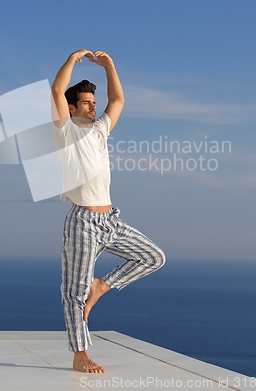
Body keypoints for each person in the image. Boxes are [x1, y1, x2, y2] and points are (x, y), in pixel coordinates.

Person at [51, 49, 166, 373]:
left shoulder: (100, 129)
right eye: (86, 102)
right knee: (74, 291)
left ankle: (101, 286)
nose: (93, 105)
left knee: (153, 257)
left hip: (109, 219)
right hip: (82, 222)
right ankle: (80, 354)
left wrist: (110, 67)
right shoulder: (65, 131)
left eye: (92, 101)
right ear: (72, 108)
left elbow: (118, 101)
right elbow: (57, 91)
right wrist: (71, 61)